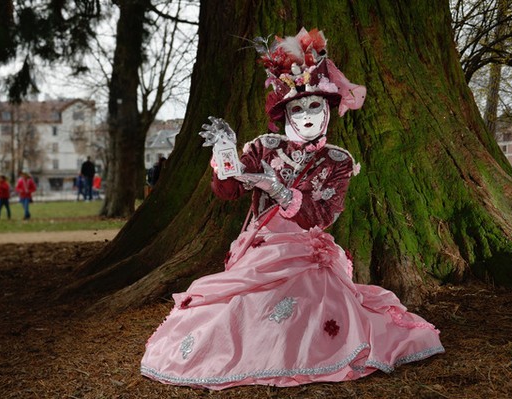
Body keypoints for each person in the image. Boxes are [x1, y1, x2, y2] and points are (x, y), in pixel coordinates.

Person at [141, 28, 443, 390]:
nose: (307, 115)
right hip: (259, 247)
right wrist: (224, 155)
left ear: (328, 109)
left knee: (314, 297)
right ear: (283, 114)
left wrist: (280, 191)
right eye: (297, 108)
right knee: (240, 307)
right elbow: (228, 189)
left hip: (305, 248)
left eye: (315, 105)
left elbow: (324, 213)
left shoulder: (338, 161)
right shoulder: (264, 146)